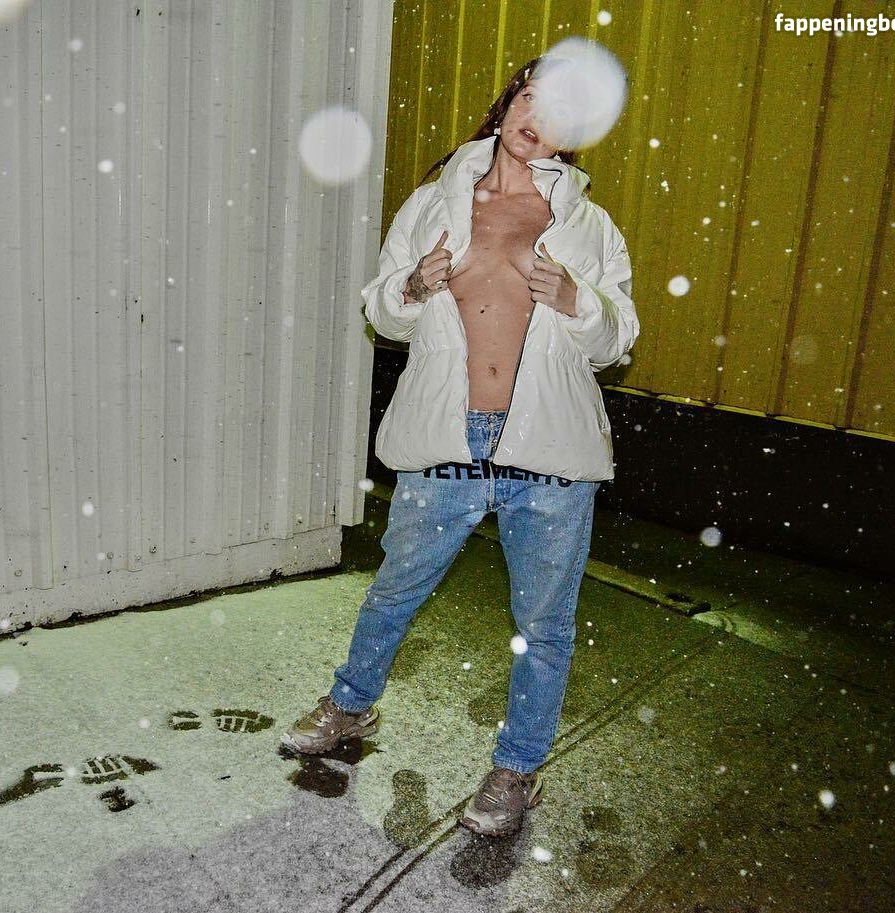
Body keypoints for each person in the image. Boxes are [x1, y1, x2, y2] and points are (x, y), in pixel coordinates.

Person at [279, 55, 641, 839]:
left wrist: (578, 302)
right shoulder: (433, 202)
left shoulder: (589, 226)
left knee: (543, 623)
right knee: (394, 589)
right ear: (508, 103)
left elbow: (617, 341)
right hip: (449, 433)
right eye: (528, 96)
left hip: (548, 453)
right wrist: (412, 285)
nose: (535, 116)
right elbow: (383, 312)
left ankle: (515, 767)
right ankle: (349, 705)